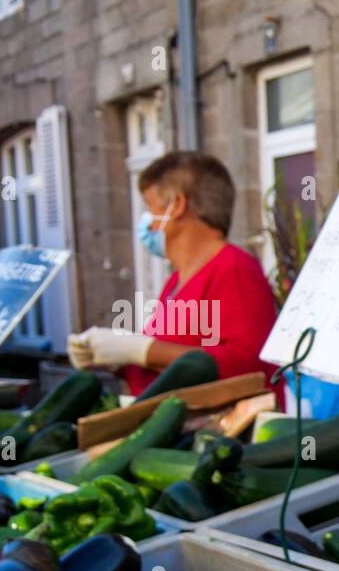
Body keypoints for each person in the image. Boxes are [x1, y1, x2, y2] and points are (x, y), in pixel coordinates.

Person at [68, 151, 280, 399]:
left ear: (177, 206)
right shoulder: (176, 281)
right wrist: (116, 360)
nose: (148, 224)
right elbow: (169, 369)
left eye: (150, 207)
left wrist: (143, 350)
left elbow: (249, 366)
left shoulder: (235, 269)